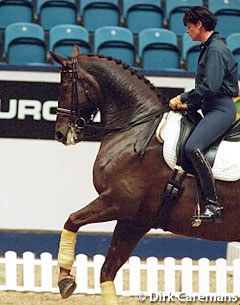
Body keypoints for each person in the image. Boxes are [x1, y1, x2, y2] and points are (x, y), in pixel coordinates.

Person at [169, 6, 239, 222]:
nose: (187, 31)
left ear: (199, 25)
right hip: (210, 106)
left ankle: (213, 205)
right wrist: (188, 107)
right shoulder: (208, 48)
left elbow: (209, 87)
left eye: (189, 27)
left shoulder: (216, 50)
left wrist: (184, 98)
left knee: (193, 147)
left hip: (221, 108)